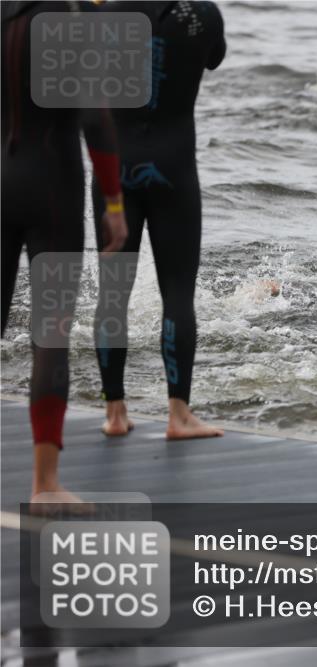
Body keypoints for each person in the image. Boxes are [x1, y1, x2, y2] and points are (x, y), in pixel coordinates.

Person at [2, 1, 128, 508]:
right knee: (49, 331)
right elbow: (96, 121)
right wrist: (114, 202)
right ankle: (45, 485)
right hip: (51, 186)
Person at [92, 0, 226, 440]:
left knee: (112, 294)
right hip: (174, 170)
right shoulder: (202, 13)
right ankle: (178, 415)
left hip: (116, 171)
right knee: (178, 294)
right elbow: (215, 58)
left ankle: (114, 412)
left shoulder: (103, 17)